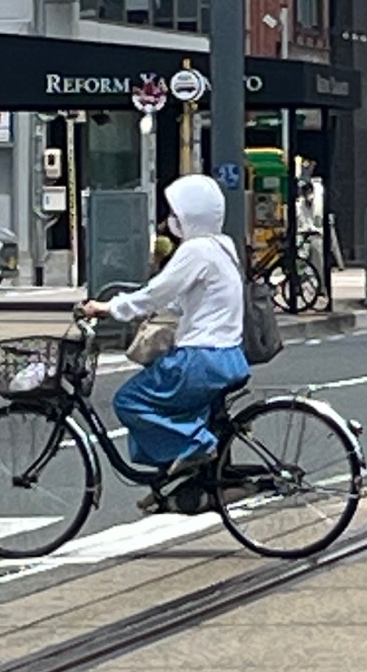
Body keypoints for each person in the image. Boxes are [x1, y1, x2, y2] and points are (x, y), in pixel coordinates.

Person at [77, 175, 249, 488]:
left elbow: (156, 292)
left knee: (130, 401)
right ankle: (177, 488)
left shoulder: (196, 250)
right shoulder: (223, 247)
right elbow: (184, 299)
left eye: (176, 212)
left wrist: (108, 308)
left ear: (191, 214)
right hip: (229, 357)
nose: (170, 219)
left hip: (201, 359)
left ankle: (197, 447)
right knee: (177, 416)